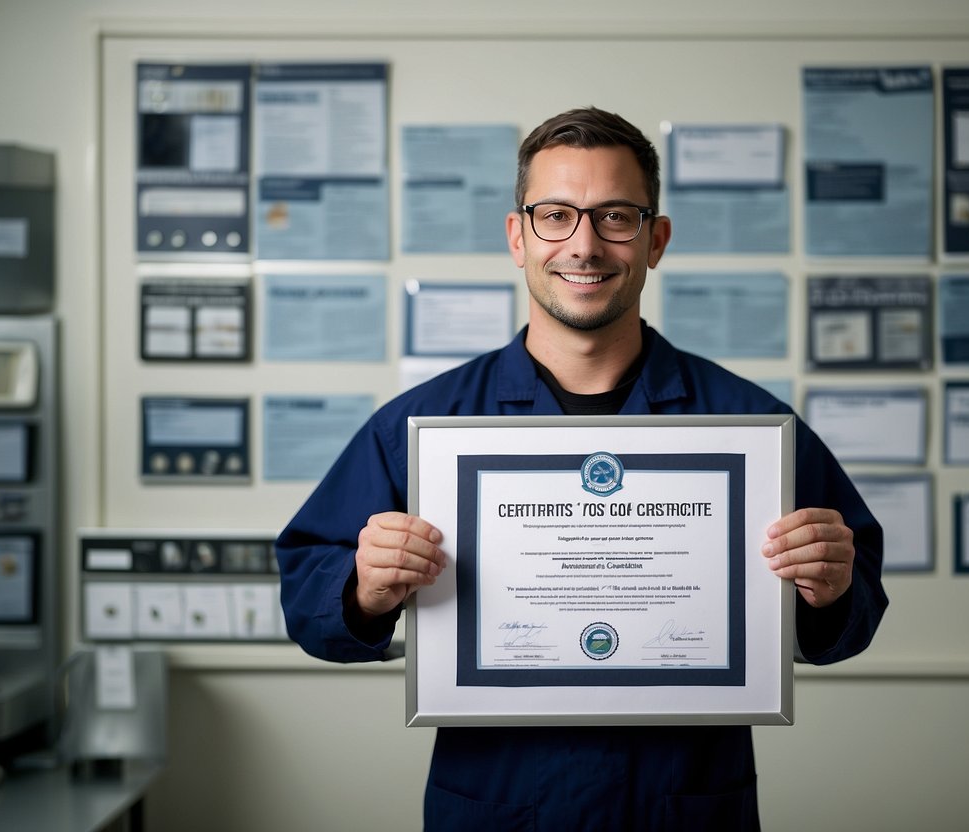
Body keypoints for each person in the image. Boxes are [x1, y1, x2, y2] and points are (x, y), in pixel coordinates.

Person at [276, 106, 888, 831]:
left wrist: (829, 586)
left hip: (684, 804)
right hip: (501, 803)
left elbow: (853, 610)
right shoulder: (425, 427)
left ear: (655, 239)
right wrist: (362, 590)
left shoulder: (753, 429)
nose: (585, 245)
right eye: (556, 215)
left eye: (616, 217)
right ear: (517, 237)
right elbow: (308, 590)